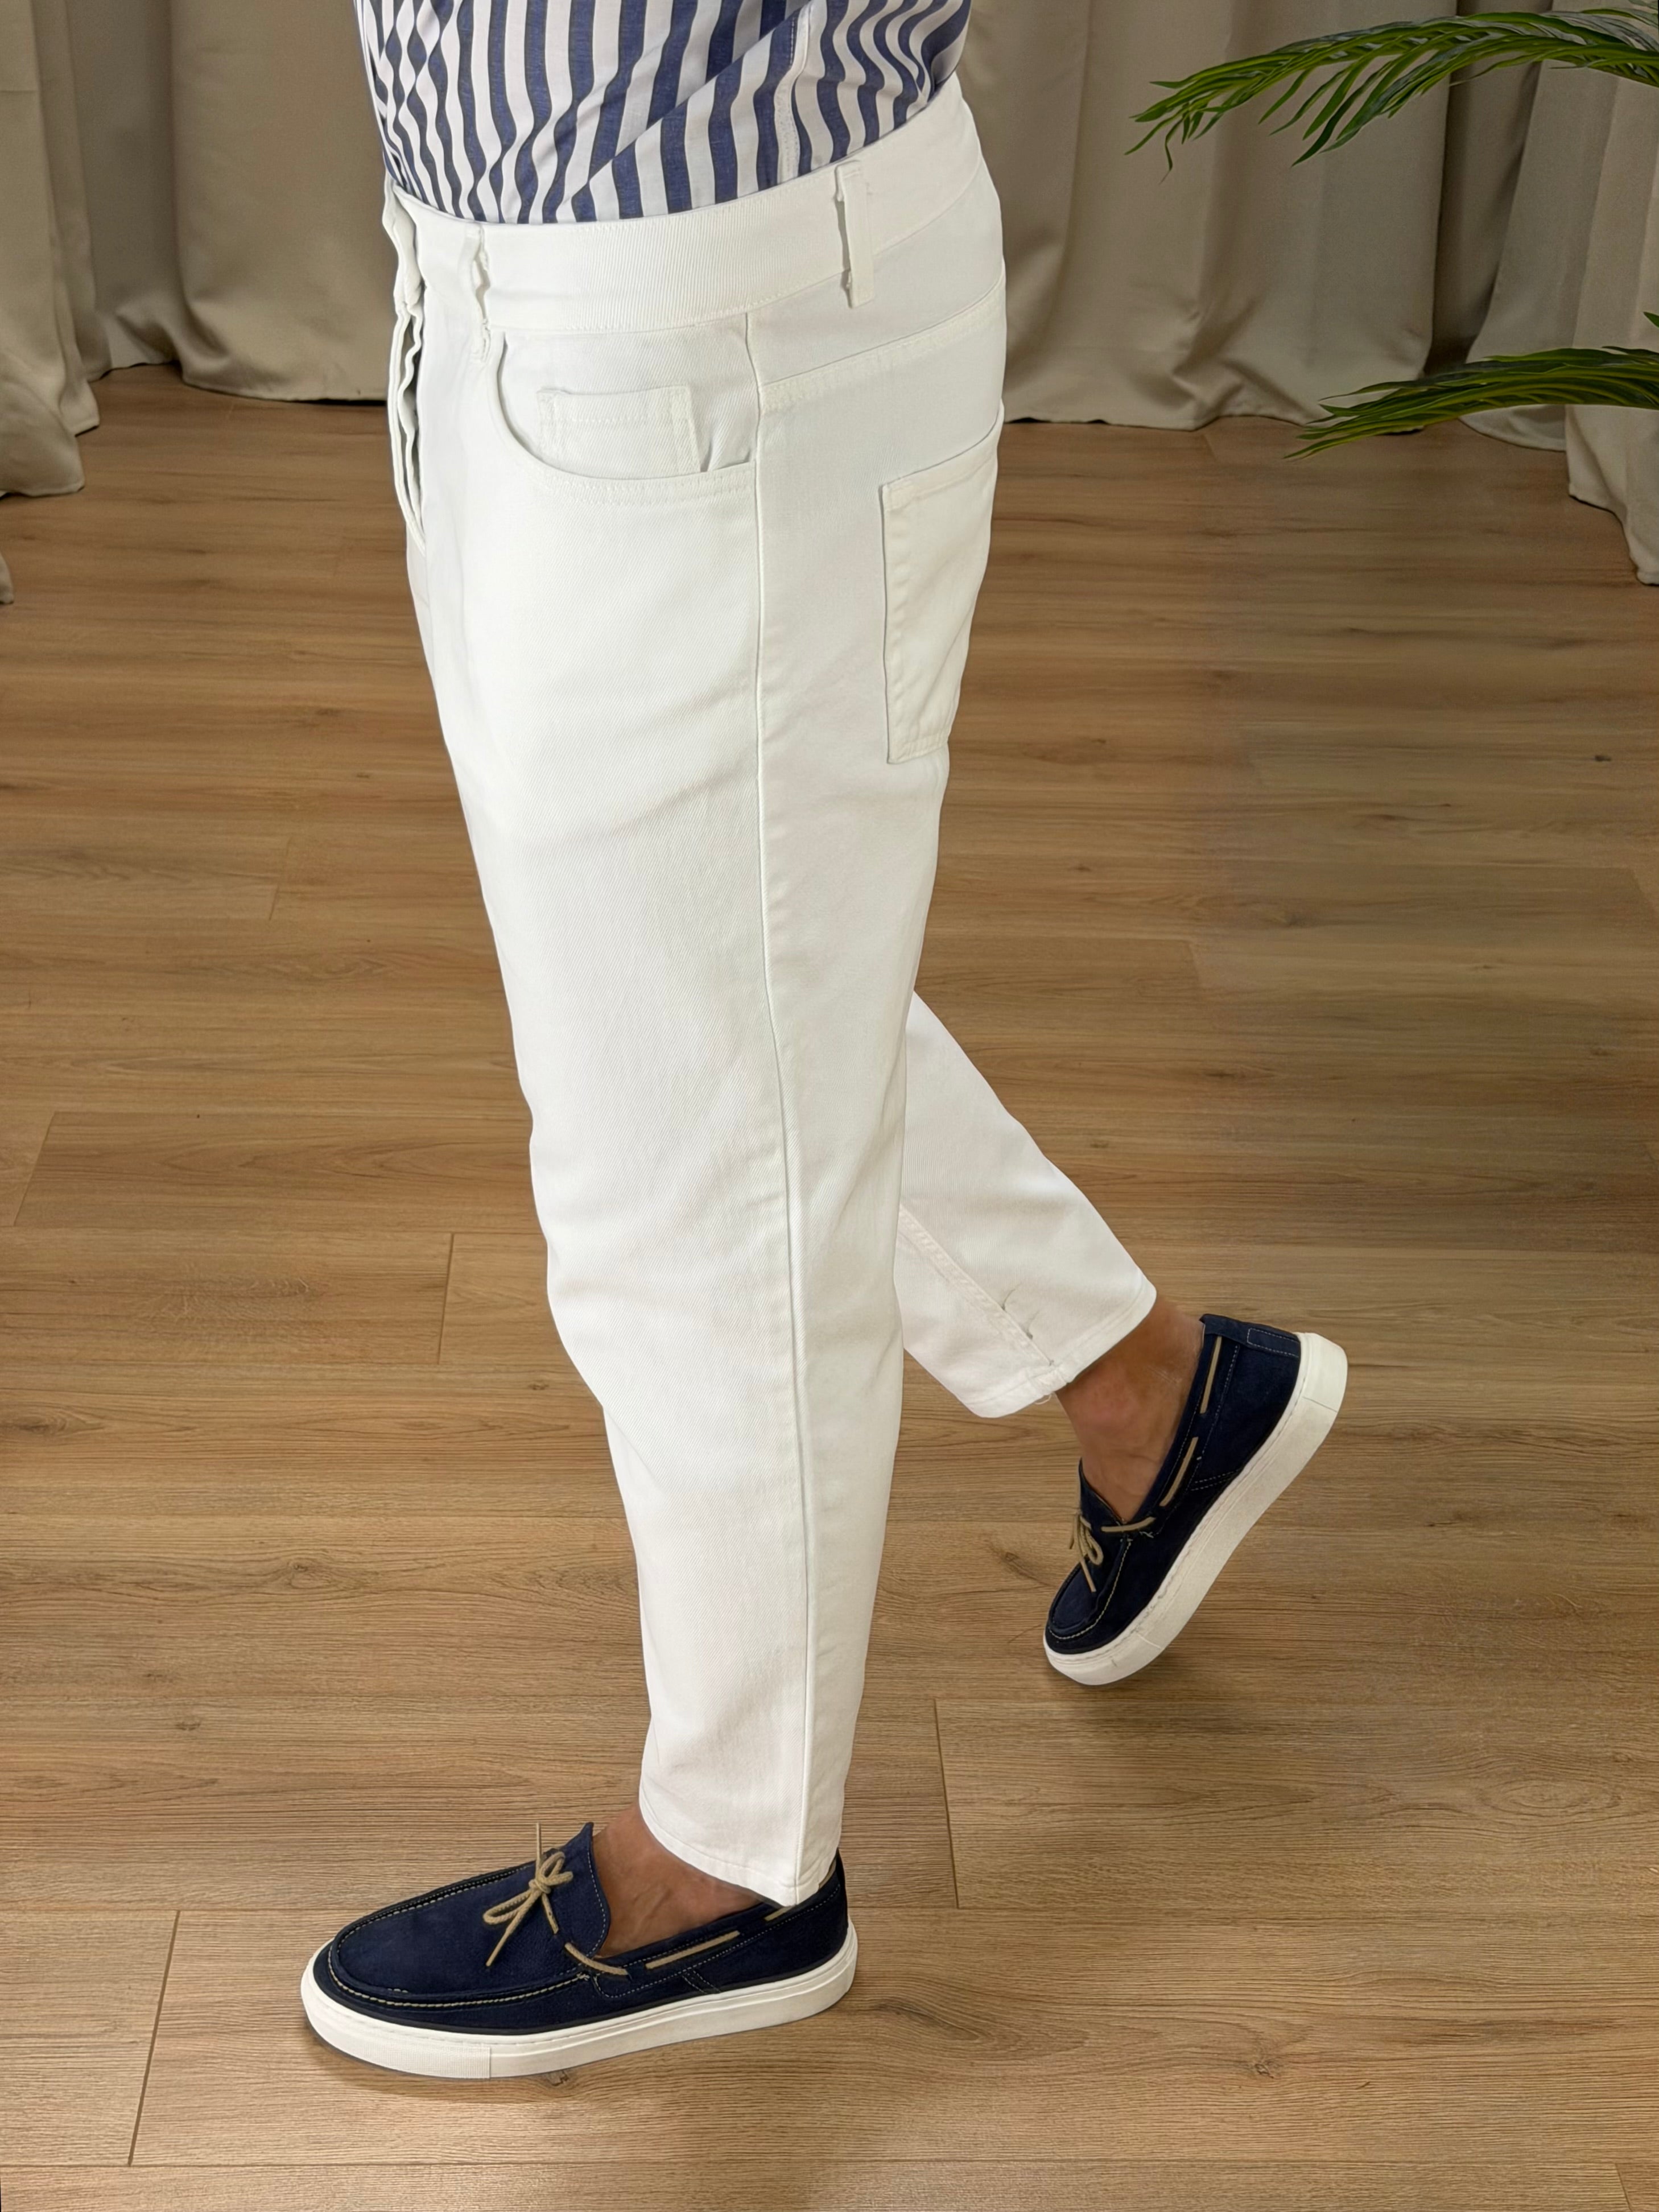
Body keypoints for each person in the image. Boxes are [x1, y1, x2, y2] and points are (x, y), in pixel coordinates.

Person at [301, 0, 1347, 2082]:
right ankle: (1148, 1391)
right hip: (483, 284)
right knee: (692, 998)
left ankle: (735, 1862)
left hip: (714, 318)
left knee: (678, 1158)